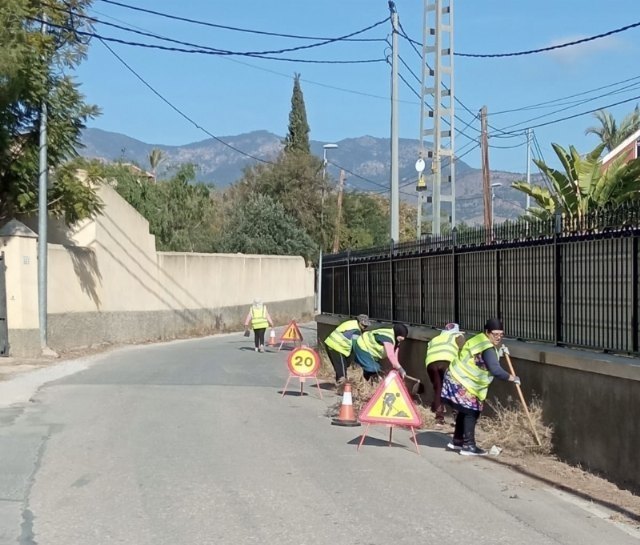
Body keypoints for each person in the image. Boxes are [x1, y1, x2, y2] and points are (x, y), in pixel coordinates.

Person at [441, 318, 520, 456]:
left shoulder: (479, 339)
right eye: (495, 334)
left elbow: (480, 359)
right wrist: (513, 378)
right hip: (463, 381)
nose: (498, 337)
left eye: (501, 334)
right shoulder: (487, 347)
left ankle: (457, 441)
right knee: (472, 412)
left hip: (456, 376)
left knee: (464, 410)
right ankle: (469, 446)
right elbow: (495, 370)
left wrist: (499, 353)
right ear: (487, 332)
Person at [424, 323, 465, 428]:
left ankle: (439, 419)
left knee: (438, 389)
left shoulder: (435, 339)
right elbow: (463, 347)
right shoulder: (456, 336)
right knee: (454, 388)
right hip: (447, 361)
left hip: (431, 364)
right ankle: (457, 417)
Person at [323, 314, 370, 391]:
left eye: (366, 326)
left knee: (340, 367)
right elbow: (355, 346)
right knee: (342, 369)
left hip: (330, 343)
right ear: (358, 322)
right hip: (338, 347)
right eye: (363, 325)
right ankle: (343, 389)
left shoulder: (351, 323)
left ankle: (338, 385)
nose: (364, 327)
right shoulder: (356, 331)